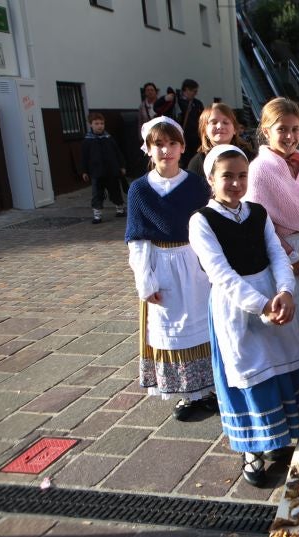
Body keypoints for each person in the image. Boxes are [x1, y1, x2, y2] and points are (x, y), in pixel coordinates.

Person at [189, 145, 299, 486]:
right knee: (248, 371)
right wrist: (261, 305)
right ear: (211, 179)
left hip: (272, 293)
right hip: (236, 304)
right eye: (227, 176)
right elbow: (220, 273)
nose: (236, 183)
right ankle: (252, 448)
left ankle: (280, 436)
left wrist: (285, 291)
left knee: (280, 364)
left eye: (242, 176)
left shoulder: (258, 212)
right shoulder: (201, 221)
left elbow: (277, 254)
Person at [125, 116, 215, 421]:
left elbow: (207, 226)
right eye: (159, 144)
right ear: (148, 149)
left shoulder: (194, 185)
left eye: (172, 143)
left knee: (203, 322)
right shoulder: (139, 190)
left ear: (182, 147)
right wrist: (145, 281)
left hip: (194, 261)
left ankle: (209, 389)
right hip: (161, 263)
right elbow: (136, 239)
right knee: (172, 329)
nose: (166, 150)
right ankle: (188, 393)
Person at [245, 97, 299, 383]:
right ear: (266, 130)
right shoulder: (260, 170)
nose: (291, 136)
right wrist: (291, 258)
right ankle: (293, 379)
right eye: (282, 129)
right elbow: (261, 223)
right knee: (290, 320)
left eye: (295, 129)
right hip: (283, 256)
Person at [81, 112, 127, 224]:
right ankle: (97, 215)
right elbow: (84, 157)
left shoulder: (108, 138)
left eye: (102, 123)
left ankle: (120, 209)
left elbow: (117, 152)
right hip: (96, 172)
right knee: (97, 193)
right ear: (90, 124)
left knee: (115, 191)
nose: (100, 126)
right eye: (96, 123)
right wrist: (84, 171)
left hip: (112, 170)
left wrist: (122, 166)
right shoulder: (87, 140)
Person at [187, 102, 255, 176]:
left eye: (225, 122)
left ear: (235, 129)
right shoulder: (197, 163)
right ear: (204, 130)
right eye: (214, 122)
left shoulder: (251, 157)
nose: (220, 126)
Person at [175, 78, 204, 167]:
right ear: (186, 89)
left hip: (196, 137)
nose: (195, 94)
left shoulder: (197, 103)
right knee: (184, 159)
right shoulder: (177, 102)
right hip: (182, 136)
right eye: (194, 91)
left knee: (196, 158)